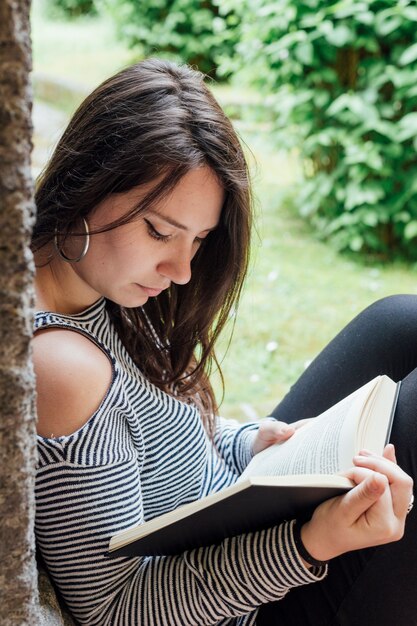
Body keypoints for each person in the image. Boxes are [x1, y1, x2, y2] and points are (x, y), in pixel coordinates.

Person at [32, 58, 415, 626]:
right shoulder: (61, 366)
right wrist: (312, 544)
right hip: (239, 603)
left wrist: (254, 444)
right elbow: (112, 609)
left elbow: (155, 441)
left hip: (228, 505)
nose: (182, 269)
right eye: (160, 231)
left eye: (199, 239)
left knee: (400, 321)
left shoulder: (99, 282)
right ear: (85, 182)